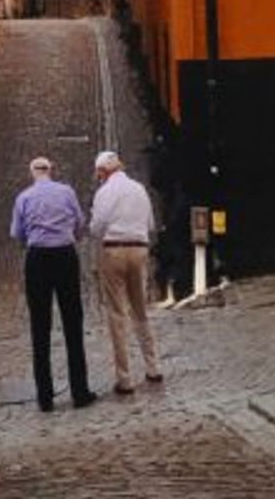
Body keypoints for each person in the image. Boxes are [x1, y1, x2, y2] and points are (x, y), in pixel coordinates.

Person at [8, 154, 96, 411]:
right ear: (51, 170)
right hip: (65, 256)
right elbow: (80, 223)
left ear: (32, 173)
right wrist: (69, 235)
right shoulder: (66, 192)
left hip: (37, 260)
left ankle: (45, 398)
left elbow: (17, 233)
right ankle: (79, 392)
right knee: (72, 322)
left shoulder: (23, 198)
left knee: (40, 327)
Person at [88, 147, 162, 392]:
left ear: (102, 172)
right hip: (140, 249)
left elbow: (97, 227)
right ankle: (153, 367)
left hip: (115, 251)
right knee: (140, 309)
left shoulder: (105, 192)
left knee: (117, 313)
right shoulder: (139, 189)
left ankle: (125, 378)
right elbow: (150, 223)